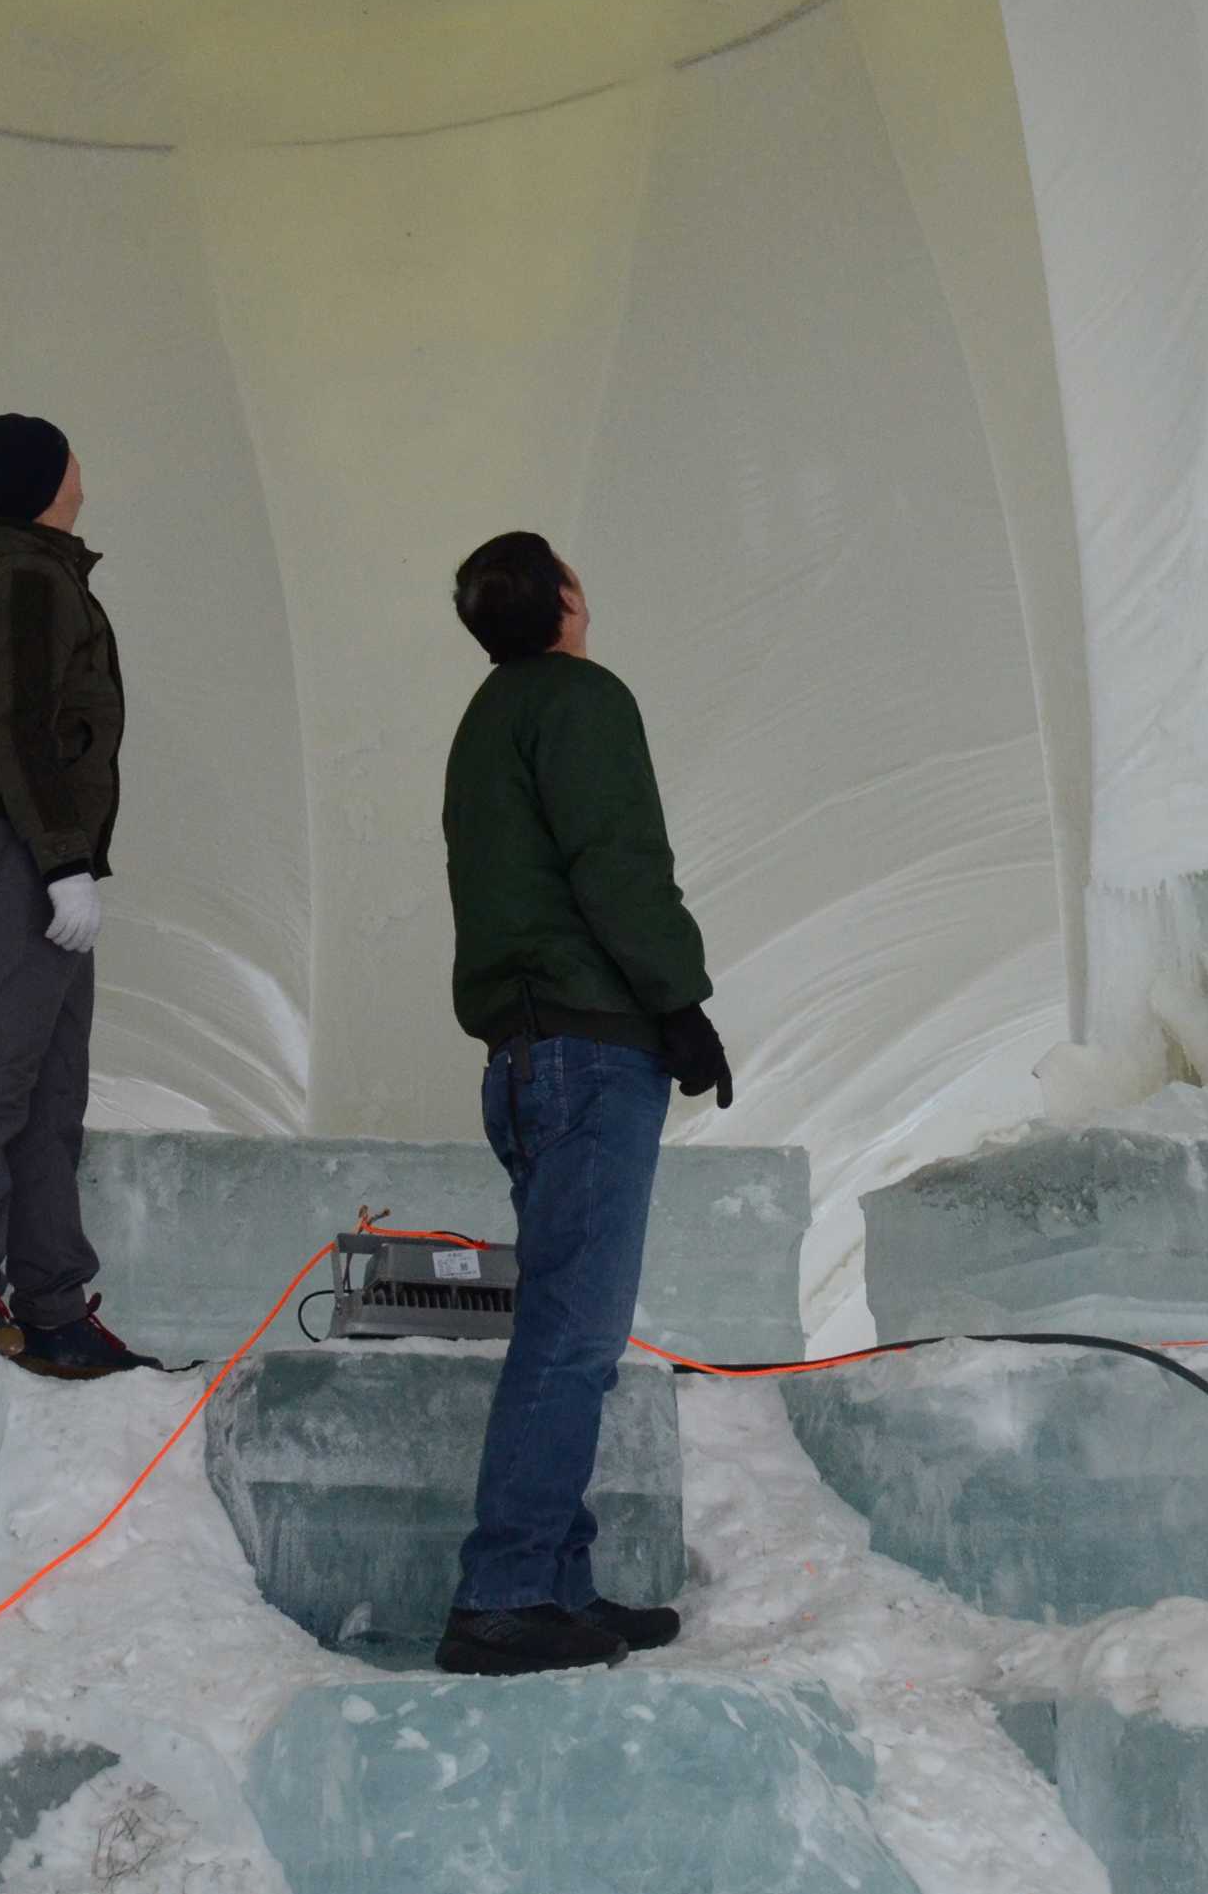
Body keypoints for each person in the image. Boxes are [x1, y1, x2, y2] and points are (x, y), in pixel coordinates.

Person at [437, 530, 733, 1676]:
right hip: (588, 1048)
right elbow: (617, 860)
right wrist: (681, 1001)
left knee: (561, 1324)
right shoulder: (582, 699)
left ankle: (555, 1579)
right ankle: (506, 1589)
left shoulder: (483, 721)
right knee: (573, 1338)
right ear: (567, 598)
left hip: (517, 1056)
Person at [0, 413, 156, 1376]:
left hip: (33, 853)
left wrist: (67, 858)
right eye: (72, 457)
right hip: (6, 850)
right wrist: (59, 858)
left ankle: (50, 1304)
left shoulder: (34, 570)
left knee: (50, 1089)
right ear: (47, 475)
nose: (84, 474)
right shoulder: (19, 576)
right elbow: (15, 725)